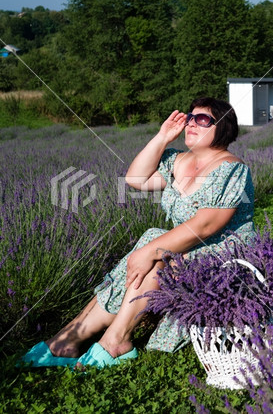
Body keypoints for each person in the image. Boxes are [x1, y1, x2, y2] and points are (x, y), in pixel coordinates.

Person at [19, 96, 255, 369]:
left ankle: (111, 340)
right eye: (190, 117)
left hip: (223, 255)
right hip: (190, 247)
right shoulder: (178, 161)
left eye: (202, 120)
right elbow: (136, 179)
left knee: (157, 251)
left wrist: (149, 251)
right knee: (155, 240)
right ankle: (75, 336)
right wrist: (162, 137)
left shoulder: (232, 169)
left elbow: (206, 225)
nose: (191, 123)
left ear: (223, 128)